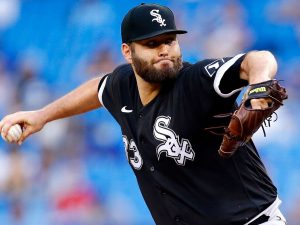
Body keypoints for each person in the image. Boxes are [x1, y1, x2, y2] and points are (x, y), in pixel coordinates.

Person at [0, 3, 287, 225]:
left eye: (170, 41)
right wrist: (42, 116)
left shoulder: (197, 82)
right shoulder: (122, 86)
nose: (164, 50)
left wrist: (259, 90)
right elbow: (98, 88)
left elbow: (259, 59)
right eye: (152, 44)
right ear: (128, 51)